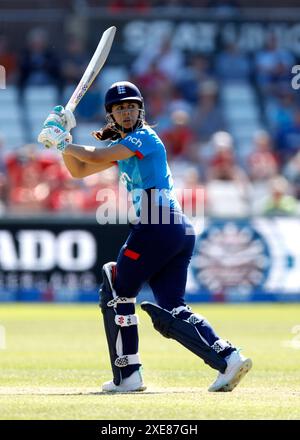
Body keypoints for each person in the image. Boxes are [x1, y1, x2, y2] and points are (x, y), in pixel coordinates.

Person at [38, 81, 252, 392]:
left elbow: (95, 158)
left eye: (131, 106)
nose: (126, 112)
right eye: (119, 108)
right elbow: (79, 171)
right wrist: (65, 138)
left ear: (140, 109)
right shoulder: (125, 146)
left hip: (157, 223)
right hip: (176, 228)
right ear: (111, 115)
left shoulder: (144, 137)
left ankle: (128, 376)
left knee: (116, 287)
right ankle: (229, 358)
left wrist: (59, 143)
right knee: (171, 308)